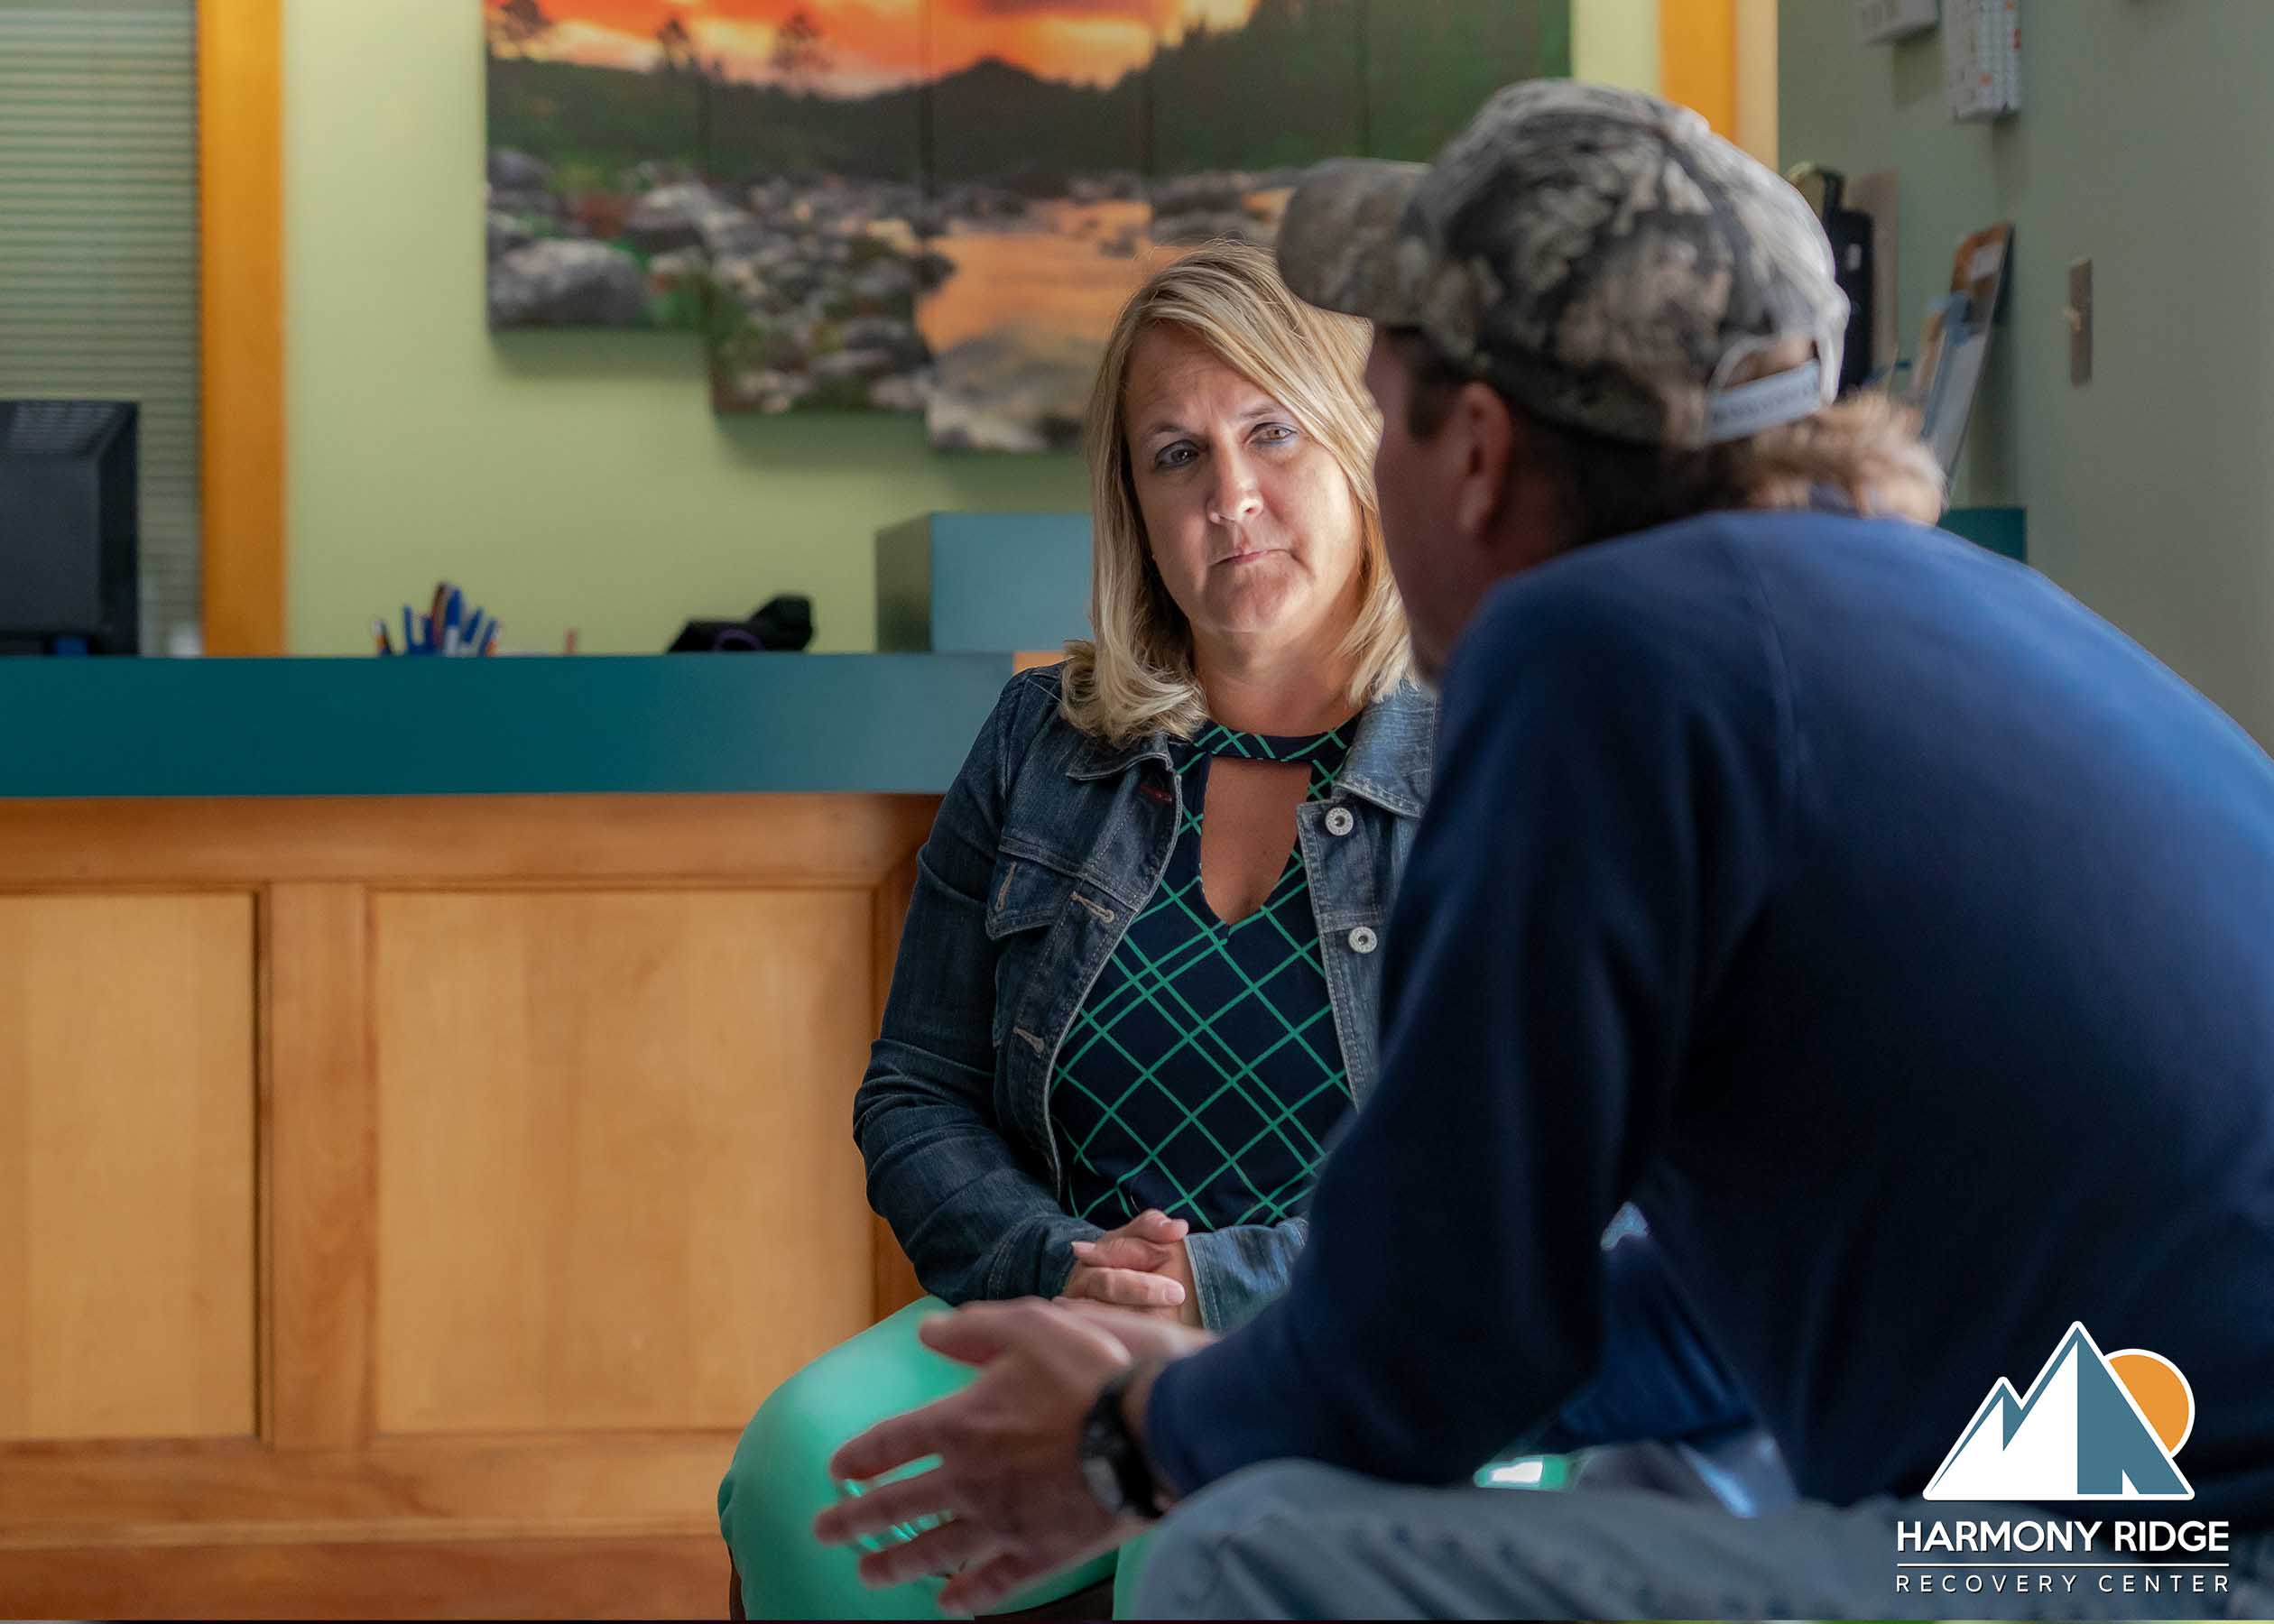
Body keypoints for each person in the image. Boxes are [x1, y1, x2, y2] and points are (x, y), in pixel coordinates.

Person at [809, 81, 2274, 1620]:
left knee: (1228, 1554)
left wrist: (1127, 1443)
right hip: (2123, 1508)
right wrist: (1215, 1379)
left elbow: (1450, 1324)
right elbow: (1697, 1322)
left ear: (1482, 455)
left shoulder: (1603, 648)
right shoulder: (1965, 610)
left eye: (1371, 410)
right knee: (1669, 1464)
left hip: (2161, 1552)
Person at [717, 239, 1435, 1619]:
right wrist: (1061, 1266)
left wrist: (1217, 1290)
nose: (1230, 499)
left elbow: (1565, 1180)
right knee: (803, 1474)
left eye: (1270, 432)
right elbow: (917, 1092)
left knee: (1205, 1543)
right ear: (1134, 506)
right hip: (1064, 1320)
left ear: (1357, 446)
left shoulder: (1510, 752)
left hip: (1364, 1341)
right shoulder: (1046, 741)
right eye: (1177, 456)